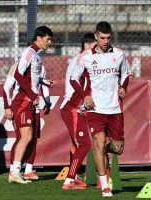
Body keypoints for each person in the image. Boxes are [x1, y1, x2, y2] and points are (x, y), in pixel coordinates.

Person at [70, 21, 129, 197]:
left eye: (108, 38)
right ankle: (104, 186)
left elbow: (125, 74)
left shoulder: (119, 54)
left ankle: (99, 149)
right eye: (102, 38)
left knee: (118, 148)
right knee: (99, 140)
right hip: (95, 108)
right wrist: (84, 96)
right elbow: (74, 78)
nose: (105, 41)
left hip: (115, 108)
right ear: (96, 36)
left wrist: (124, 87)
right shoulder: (86, 56)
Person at [3, 26, 53, 184]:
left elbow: (31, 77)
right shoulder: (29, 52)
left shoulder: (37, 56)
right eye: (48, 39)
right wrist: (32, 95)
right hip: (22, 101)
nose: (49, 43)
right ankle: (15, 172)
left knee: (29, 137)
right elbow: (18, 73)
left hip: (29, 101)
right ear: (39, 38)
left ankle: (18, 171)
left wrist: (44, 81)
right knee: (25, 137)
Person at [60, 33, 96, 190]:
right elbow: (74, 81)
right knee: (84, 143)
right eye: (88, 44)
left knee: (77, 143)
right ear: (84, 46)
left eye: (92, 44)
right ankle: (69, 180)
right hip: (72, 107)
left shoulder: (86, 60)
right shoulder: (80, 60)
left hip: (77, 108)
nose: (90, 47)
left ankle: (73, 176)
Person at [7, 65, 52, 181]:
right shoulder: (18, 66)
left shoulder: (41, 66)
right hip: (21, 106)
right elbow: (7, 86)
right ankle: (13, 169)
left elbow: (43, 85)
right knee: (22, 137)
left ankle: (28, 170)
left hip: (34, 107)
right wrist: (7, 106)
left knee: (33, 139)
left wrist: (47, 101)